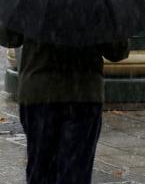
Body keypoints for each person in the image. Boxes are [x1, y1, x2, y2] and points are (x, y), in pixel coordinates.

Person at [0, 27, 129, 184]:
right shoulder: (93, 4)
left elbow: (8, 37)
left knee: (41, 168)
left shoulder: (33, 4)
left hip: (39, 93)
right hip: (82, 94)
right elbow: (117, 51)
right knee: (76, 170)